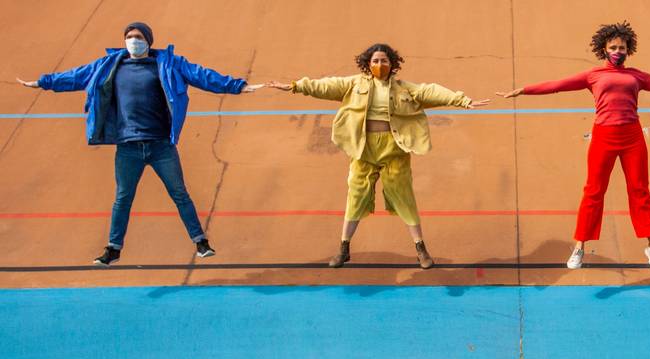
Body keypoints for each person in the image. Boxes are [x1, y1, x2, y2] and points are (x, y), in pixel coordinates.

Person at [17, 22, 262, 266]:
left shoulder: (167, 64)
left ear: (148, 41)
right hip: (128, 147)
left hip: (161, 146)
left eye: (138, 37)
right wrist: (43, 82)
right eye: (129, 37)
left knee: (180, 194)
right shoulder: (108, 66)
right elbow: (75, 76)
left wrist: (239, 86)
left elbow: (201, 75)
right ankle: (113, 249)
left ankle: (200, 242)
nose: (133, 41)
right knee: (123, 198)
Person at [497, 21, 650, 269]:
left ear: (628, 50)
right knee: (594, 191)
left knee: (640, 190)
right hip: (603, 137)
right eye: (613, 47)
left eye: (622, 47)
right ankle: (579, 247)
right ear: (604, 49)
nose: (617, 51)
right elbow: (557, 85)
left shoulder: (636, 76)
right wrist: (524, 90)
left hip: (632, 137)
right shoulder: (593, 76)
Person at [268, 43, 489, 269]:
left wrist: (463, 100)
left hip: (394, 149)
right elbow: (325, 86)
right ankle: (344, 248)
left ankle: (420, 248)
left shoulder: (404, 89)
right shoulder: (353, 85)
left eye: (384, 61)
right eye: (375, 61)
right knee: (356, 195)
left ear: (392, 64)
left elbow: (431, 91)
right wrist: (296, 86)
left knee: (404, 196)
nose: (380, 65)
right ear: (367, 64)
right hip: (364, 149)